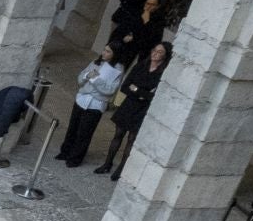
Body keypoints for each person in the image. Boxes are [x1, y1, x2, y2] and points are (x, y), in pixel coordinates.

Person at [98, 41, 169, 180]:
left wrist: (136, 89)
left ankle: (120, 169)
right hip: (129, 104)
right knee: (118, 134)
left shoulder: (162, 73)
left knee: (131, 139)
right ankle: (107, 163)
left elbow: (153, 96)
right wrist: (141, 93)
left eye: (160, 52)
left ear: (165, 56)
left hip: (142, 109)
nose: (155, 53)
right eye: (154, 49)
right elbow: (125, 86)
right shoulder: (141, 65)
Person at [55, 47, 124, 166]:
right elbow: (80, 79)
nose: (104, 53)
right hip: (82, 99)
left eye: (108, 51)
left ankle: (75, 158)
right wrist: (88, 76)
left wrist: (96, 79)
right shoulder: (95, 62)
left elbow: (110, 90)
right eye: (104, 50)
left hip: (96, 104)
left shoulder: (118, 69)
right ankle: (65, 152)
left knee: (85, 132)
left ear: (114, 54)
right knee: (73, 128)